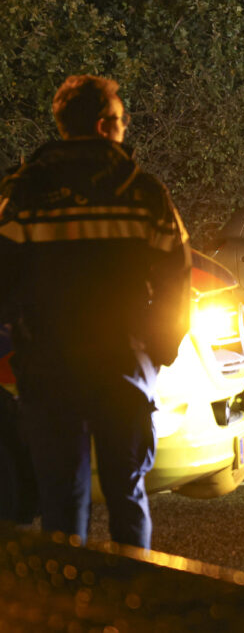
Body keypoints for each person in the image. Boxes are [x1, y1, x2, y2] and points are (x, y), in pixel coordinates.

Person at [0, 75, 191, 549]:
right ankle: (132, 602)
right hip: (123, 364)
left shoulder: (25, 193)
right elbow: (177, 279)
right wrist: (159, 350)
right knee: (127, 493)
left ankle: (70, 611)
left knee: (62, 501)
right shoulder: (143, 192)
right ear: (107, 126)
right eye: (123, 120)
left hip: (48, 366)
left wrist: (21, 340)